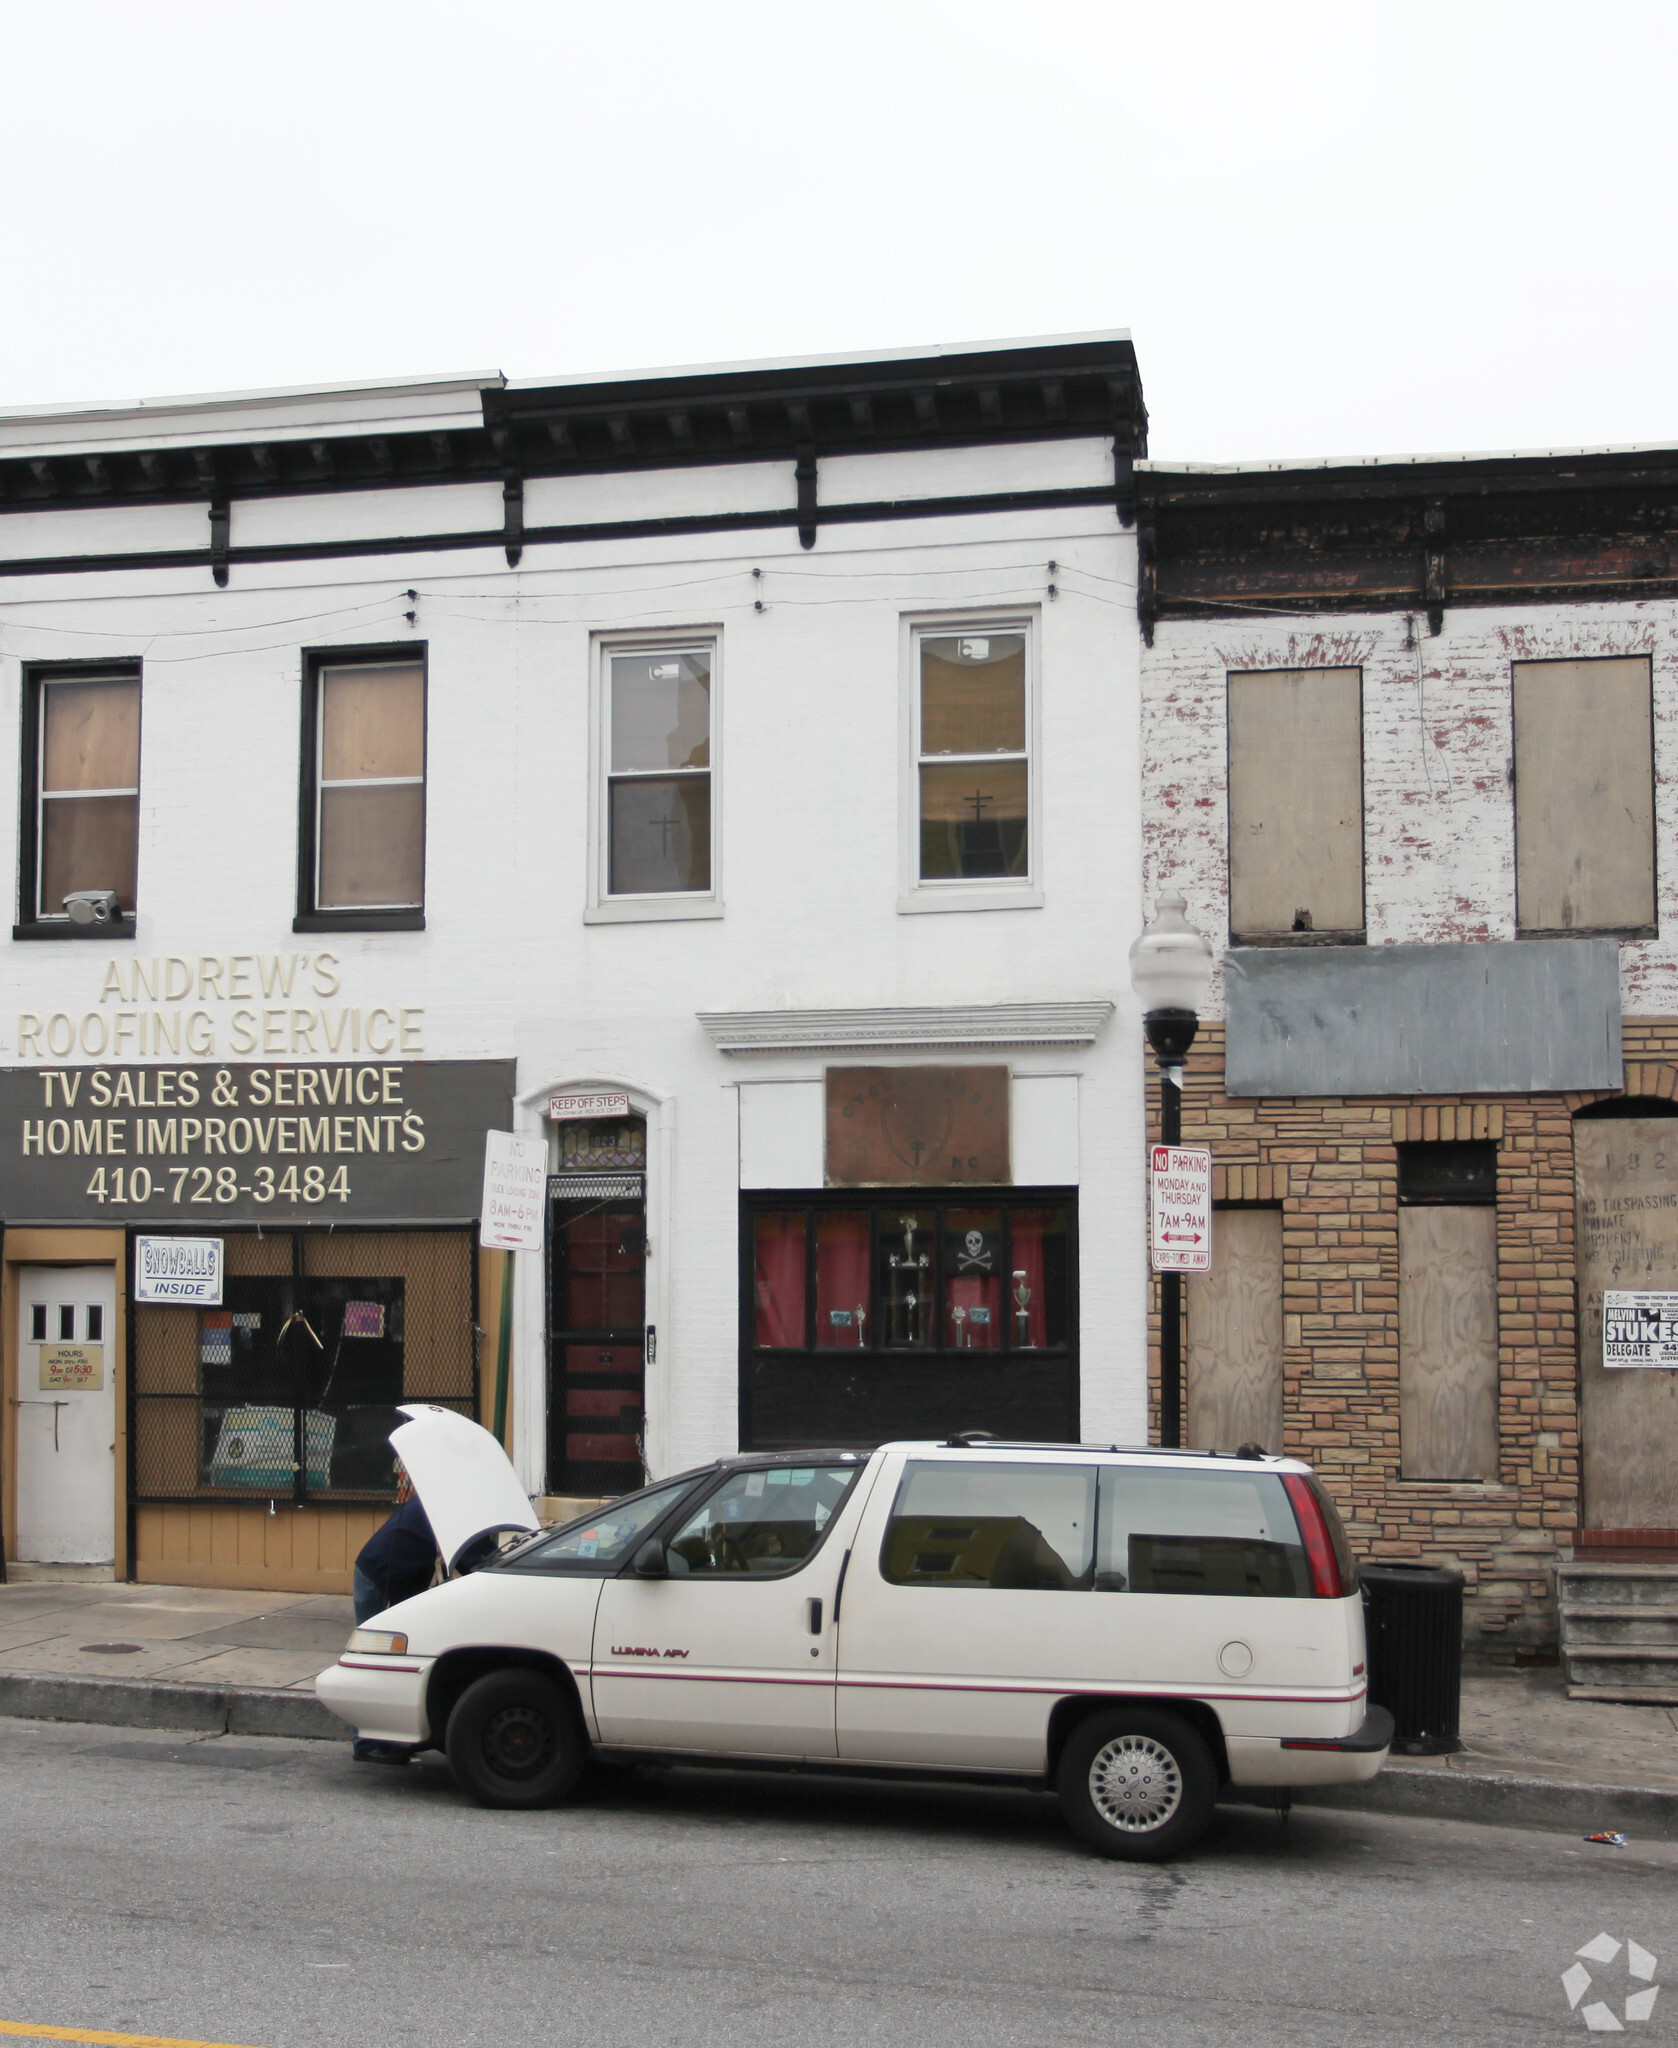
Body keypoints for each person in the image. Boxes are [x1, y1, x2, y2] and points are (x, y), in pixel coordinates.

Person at [348, 1463, 495, 1762]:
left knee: (395, 1659)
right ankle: (367, 1743)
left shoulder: (440, 1498)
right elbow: (473, 1557)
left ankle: (389, 1738)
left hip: (386, 1573)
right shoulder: (449, 1506)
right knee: (376, 1661)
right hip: (380, 1575)